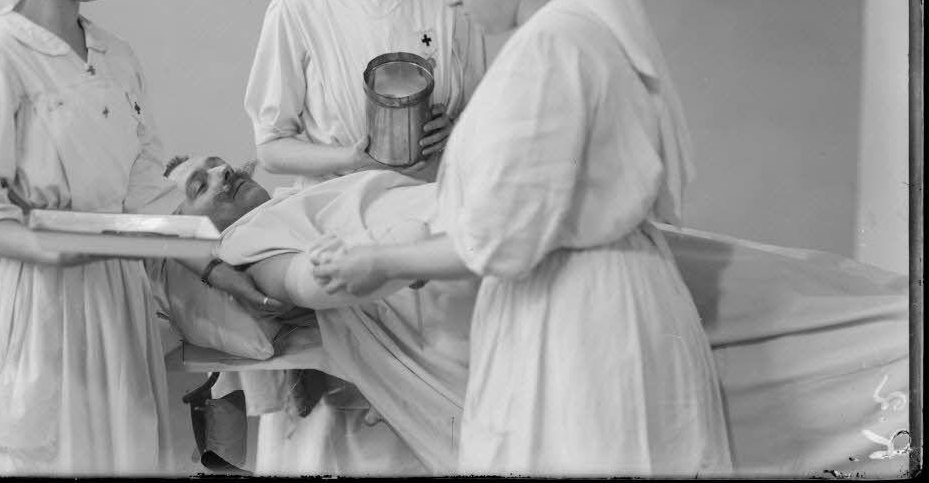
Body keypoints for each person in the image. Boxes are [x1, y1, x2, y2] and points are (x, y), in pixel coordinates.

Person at [311, 0, 734, 476]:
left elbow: (501, 240)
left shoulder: (552, 48)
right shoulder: (579, 35)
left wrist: (377, 262)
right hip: (596, 300)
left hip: (580, 318)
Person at [170, 153, 911, 477]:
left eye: (206, 161)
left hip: (511, 245)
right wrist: (399, 252)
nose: (217, 171)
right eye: (197, 186)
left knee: (743, 297)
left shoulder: (300, 197)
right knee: (733, 342)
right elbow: (309, 282)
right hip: (477, 287)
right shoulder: (244, 246)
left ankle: (883, 337)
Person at [0, 0, 279, 477]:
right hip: (34, 308)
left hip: (117, 306)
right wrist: (62, 245)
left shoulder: (116, 56)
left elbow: (149, 195)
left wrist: (222, 272)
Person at [240, 0, 488, 475]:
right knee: (345, 424)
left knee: (447, 407)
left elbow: (491, 117)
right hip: (341, 225)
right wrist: (354, 156)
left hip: (438, 226)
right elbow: (271, 147)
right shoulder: (299, 7)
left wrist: (453, 133)